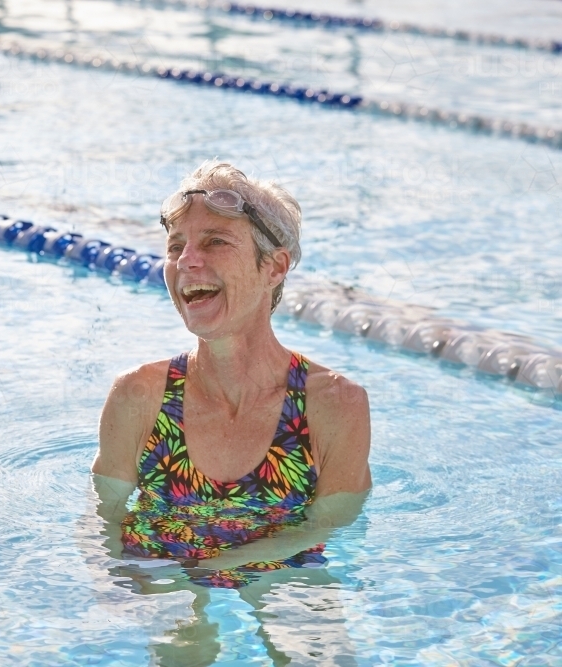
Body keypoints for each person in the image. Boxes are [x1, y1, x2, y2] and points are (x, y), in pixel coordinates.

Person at [88, 159, 372, 664]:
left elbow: (327, 525)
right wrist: (116, 579)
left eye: (215, 242)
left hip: (284, 564)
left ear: (275, 267)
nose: (187, 262)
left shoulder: (335, 404)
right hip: (162, 566)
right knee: (180, 646)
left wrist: (227, 562)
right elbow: (103, 516)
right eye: (176, 247)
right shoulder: (139, 395)